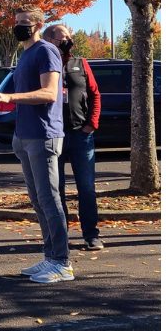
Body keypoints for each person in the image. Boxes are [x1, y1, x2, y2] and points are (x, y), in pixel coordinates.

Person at [0, 7, 70, 283]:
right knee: (38, 200)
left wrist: (10, 97)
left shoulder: (46, 51)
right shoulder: (25, 54)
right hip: (24, 135)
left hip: (44, 135)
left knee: (49, 199)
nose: (19, 26)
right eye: (17, 22)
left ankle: (62, 263)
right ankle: (50, 257)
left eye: (25, 23)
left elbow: (48, 93)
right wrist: (0, 98)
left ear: (39, 25)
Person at [43, 23, 103, 251]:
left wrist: (91, 124)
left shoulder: (80, 63)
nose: (68, 40)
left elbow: (95, 95)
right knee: (56, 189)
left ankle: (91, 235)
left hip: (81, 135)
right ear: (50, 40)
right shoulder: (46, 65)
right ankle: (62, 237)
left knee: (86, 187)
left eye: (69, 36)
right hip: (53, 135)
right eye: (63, 37)